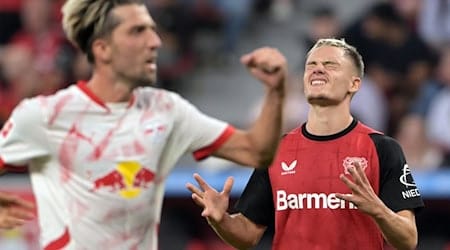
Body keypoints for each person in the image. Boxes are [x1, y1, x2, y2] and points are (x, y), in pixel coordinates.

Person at [0, 0, 288, 249]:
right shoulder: (45, 115)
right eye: (138, 31)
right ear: (103, 49)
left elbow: (255, 153)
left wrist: (275, 92)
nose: (155, 41)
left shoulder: (168, 110)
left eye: (152, 30)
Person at [187, 38, 425, 250]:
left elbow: (408, 240)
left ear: (354, 84)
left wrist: (378, 209)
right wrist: (221, 220)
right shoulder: (276, 151)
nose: (318, 69)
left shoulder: (382, 148)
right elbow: (247, 235)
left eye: (330, 65)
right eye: (311, 65)